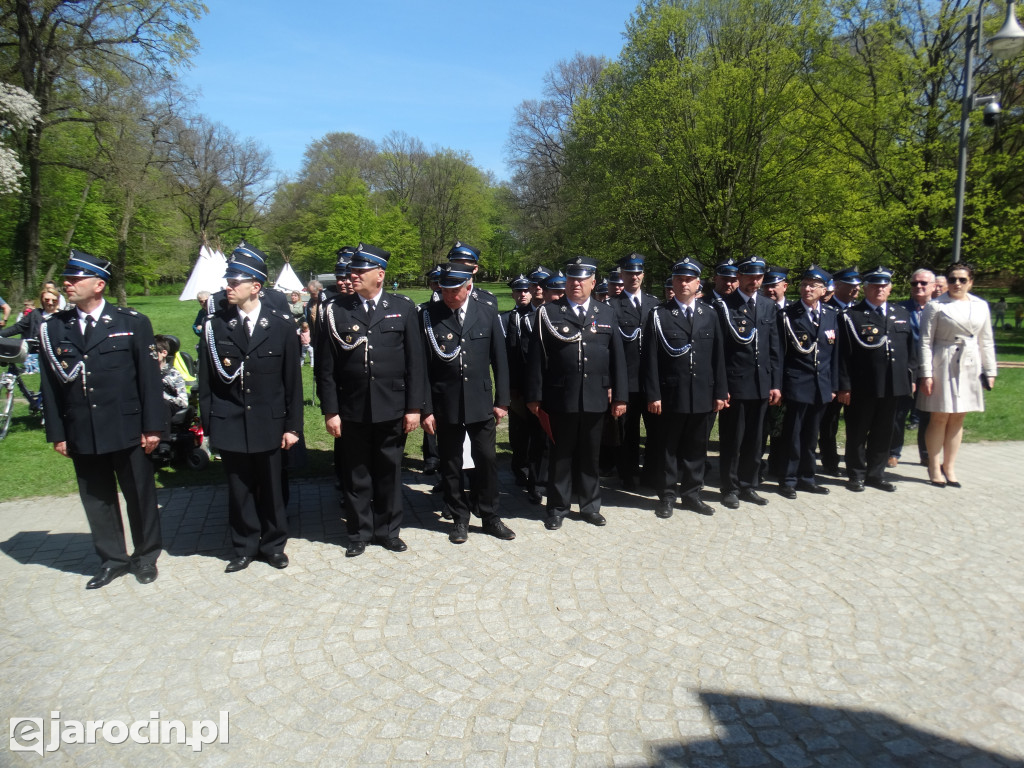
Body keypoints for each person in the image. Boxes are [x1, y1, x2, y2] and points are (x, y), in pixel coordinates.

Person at [38, 249, 165, 589]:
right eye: (67, 278)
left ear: (98, 284)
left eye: (75, 279)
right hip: (83, 429)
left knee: (139, 495)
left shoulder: (131, 323)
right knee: (96, 498)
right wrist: (58, 432)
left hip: (127, 426)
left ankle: (145, 555)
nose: (67, 284)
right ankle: (112, 559)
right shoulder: (53, 328)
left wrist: (153, 427)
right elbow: (49, 387)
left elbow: (148, 381)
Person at [316, 243, 428, 557]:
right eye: (353, 270)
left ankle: (388, 531)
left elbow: (414, 363)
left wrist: (414, 407)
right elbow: (325, 368)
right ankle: (359, 533)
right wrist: (331, 410)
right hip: (351, 409)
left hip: (392, 407)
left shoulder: (403, 307)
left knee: (389, 473)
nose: (353, 275)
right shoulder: (336, 309)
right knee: (356, 473)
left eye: (361, 270)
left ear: (379, 274)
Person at [199, 245, 302, 572]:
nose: (228, 286)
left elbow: (292, 383)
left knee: (272, 489)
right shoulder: (215, 327)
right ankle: (243, 546)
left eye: (235, 281)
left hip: (269, 422)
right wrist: (209, 427)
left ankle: (273, 545)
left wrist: (292, 426)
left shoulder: (282, 325)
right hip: (229, 420)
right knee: (239, 489)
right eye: (227, 280)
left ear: (255, 286)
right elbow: (206, 384)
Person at [526, 256, 627, 530]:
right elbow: (537, 359)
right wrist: (534, 396)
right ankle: (558, 507)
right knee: (561, 455)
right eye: (572, 279)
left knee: (590, 455)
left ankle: (590, 506)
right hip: (561, 396)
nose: (576, 284)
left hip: (596, 396)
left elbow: (617, 356)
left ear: (593, 283)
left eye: (582, 280)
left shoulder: (605, 312)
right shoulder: (548, 312)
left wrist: (620, 396)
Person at [421, 263, 515, 544]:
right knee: (450, 463)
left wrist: (502, 402)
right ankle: (459, 517)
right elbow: (421, 367)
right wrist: (425, 408)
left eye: (455, 290)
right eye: (445, 289)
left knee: (486, 459)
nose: (449, 295)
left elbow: (500, 361)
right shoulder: (428, 317)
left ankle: (489, 515)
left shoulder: (486, 313)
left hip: (480, 402)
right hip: (445, 404)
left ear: (468, 287)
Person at [642, 258, 727, 517]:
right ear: (673, 283)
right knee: (668, 448)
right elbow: (650, 360)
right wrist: (653, 394)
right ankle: (667, 495)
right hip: (671, 394)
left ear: (698, 283)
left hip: (702, 393)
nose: (684, 283)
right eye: (679, 279)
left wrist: (721, 392)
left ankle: (692, 494)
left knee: (696, 447)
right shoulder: (659, 315)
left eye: (689, 279)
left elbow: (718, 357)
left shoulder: (710, 314)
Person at [837, 266, 917, 493]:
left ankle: (876, 473)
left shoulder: (900, 314)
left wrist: (910, 376)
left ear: (890, 288)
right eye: (874, 285)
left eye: (883, 285)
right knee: (858, 431)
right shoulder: (852, 315)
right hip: (863, 385)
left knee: (884, 431)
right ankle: (856, 474)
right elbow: (843, 355)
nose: (879, 289)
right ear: (865, 288)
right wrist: (844, 385)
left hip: (893, 384)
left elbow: (911, 351)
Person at [917, 262, 996, 487]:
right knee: (940, 415)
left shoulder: (981, 306)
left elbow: (986, 340)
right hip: (942, 361)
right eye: (952, 279)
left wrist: (989, 370)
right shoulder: (936, 306)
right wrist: (927, 373)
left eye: (962, 279)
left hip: (970, 363)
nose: (957, 284)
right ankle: (933, 465)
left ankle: (949, 466)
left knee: (958, 416)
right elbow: (925, 341)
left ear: (971, 282)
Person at [714, 255, 783, 509]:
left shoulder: (768, 306)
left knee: (756, 440)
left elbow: (775, 348)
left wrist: (775, 383)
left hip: (762, 384)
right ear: (739, 277)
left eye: (758, 277)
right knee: (733, 440)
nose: (754, 281)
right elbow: (719, 352)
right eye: (749, 276)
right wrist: (722, 387)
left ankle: (749, 485)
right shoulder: (724, 306)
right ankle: (729, 487)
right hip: (735, 385)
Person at [776, 266, 840, 498]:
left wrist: (834, 385)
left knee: (812, 434)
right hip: (797, 383)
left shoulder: (832, 315)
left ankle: (807, 477)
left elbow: (835, 355)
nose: (807, 289)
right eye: (804, 284)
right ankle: (788, 479)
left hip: (821, 385)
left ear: (824, 290)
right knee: (792, 434)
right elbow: (781, 353)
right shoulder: (788, 314)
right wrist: (780, 384)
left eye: (813, 285)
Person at [610, 252, 661, 490]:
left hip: (651, 382)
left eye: (638, 272)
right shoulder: (611, 306)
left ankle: (652, 474)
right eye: (629, 273)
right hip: (626, 381)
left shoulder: (655, 304)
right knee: (627, 432)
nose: (634, 277)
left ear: (643, 274)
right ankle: (628, 474)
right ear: (622, 275)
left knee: (656, 432)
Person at [818, 265, 862, 476]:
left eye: (857, 285)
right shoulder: (829, 310)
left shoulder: (858, 310)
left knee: (857, 423)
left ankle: (856, 462)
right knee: (829, 423)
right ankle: (829, 460)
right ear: (838, 286)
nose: (856, 289)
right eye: (851, 285)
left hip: (857, 377)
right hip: (832, 375)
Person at [505, 274, 545, 502]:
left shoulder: (552, 313)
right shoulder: (518, 318)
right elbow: (514, 353)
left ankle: (539, 477)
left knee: (542, 435)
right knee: (522, 432)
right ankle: (526, 473)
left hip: (552, 386)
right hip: (524, 385)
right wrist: (513, 386)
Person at [889, 269, 934, 468]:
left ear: (933, 286)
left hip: (931, 370)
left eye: (923, 283)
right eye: (915, 283)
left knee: (928, 415)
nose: (919, 287)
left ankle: (926, 453)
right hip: (906, 370)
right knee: (899, 414)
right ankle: (893, 452)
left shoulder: (939, 309)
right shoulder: (900, 309)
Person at [154, 335, 188, 422]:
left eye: (154, 353)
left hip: (167, 406)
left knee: (163, 405)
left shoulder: (174, 374)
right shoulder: (144, 373)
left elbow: (184, 402)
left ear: (164, 353)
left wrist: (163, 396)